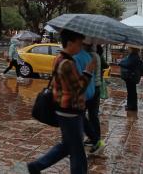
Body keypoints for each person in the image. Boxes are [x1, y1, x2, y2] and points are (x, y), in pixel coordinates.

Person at [27, 29, 95, 174]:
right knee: (77, 151)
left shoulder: (59, 58)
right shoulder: (67, 64)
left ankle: (36, 166)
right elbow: (78, 89)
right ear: (70, 43)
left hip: (64, 109)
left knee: (67, 146)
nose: (80, 47)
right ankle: (37, 166)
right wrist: (88, 71)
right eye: (79, 44)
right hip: (70, 110)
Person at [73, 43, 105, 155]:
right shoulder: (97, 55)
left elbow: (86, 74)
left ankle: (93, 139)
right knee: (93, 115)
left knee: (83, 114)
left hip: (90, 88)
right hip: (97, 86)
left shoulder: (89, 56)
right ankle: (95, 138)